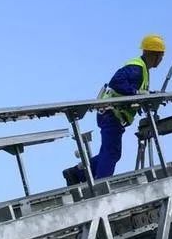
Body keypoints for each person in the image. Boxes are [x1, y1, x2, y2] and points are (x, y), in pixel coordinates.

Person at [63, 34, 165, 185]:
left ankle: (77, 173)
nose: (161, 60)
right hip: (112, 113)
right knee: (111, 153)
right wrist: (137, 93)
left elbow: (131, 90)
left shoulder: (142, 69)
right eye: (161, 56)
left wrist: (146, 96)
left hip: (112, 114)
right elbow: (116, 82)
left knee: (111, 152)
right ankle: (102, 184)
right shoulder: (137, 68)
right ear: (154, 54)